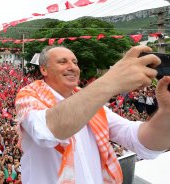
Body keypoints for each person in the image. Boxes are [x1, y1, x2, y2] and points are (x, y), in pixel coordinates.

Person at [15, 45, 170, 184]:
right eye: (62, 62)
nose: (72, 67)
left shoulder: (93, 104)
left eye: (75, 62)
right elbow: (47, 131)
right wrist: (111, 80)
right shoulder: (28, 96)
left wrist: (166, 113)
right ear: (44, 69)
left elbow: (138, 139)